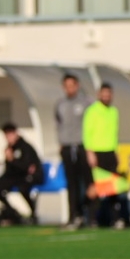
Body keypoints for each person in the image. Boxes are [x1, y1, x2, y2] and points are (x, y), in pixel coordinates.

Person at [0, 123, 44, 225]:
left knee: (23, 188)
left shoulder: (25, 147)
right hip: (16, 176)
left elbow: (26, 167)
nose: (8, 138)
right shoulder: (9, 148)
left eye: (10, 134)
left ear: (15, 133)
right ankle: (12, 212)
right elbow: (10, 169)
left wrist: (12, 160)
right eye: (6, 135)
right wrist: (9, 161)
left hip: (30, 177)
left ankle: (33, 213)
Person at [82, 83, 127, 228]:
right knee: (96, 187)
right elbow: (87, 132)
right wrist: (90, 152)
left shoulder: (114, 111)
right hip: (97, 152)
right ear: (99, 94)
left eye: (108, 94)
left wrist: (116, 152)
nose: (106, 96)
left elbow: (115, 134)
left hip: (110, 152)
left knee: (113, 187)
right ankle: (91, 218)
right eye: (104, 93)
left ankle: (116, 219)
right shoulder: (92, 111)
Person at [56, 73, 93, 229]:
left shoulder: (87, 103)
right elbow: (58, 124)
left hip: (83, 147)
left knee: (88, 183)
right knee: (71, 184)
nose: (70, 89)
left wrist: (91, 148)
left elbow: (93, 125)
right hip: (66, 147)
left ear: (77, 86)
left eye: (72, 85)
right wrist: (60, 143)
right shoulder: (60, 104)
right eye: (67, 86)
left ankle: (90, 217)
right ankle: (73, 216)